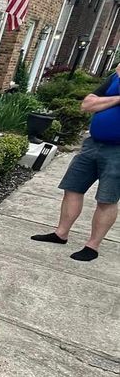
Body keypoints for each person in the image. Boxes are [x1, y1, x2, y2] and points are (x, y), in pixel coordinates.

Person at [31, 62, 120, 262]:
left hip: (117, 151)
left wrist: (105, 102)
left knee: (107, 199)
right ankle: (61, 233)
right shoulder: (114, 78)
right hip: (92, 144)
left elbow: (95, 104)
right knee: (72, 188)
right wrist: (118, 99)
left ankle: (92, 246)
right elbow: (87, 104)